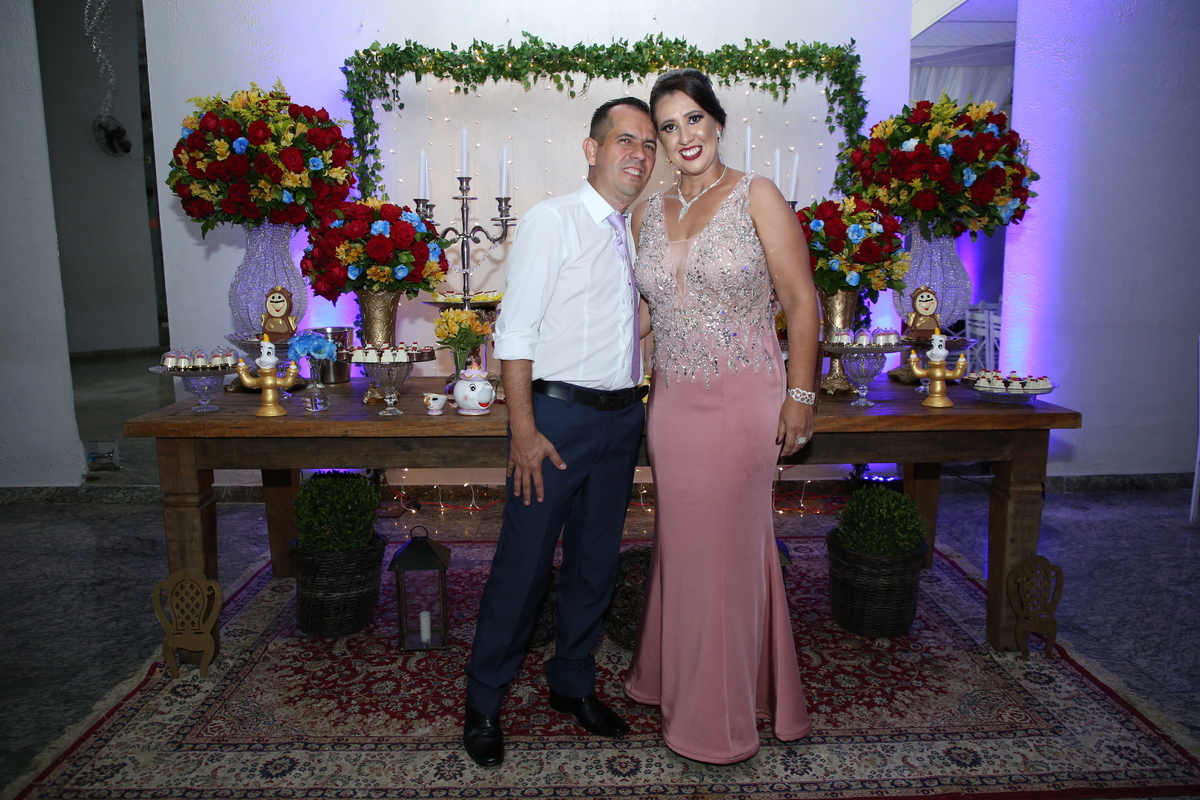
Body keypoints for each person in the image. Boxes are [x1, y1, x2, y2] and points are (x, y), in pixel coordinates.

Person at [623, 69, 820, 764]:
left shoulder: (756, 195)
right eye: (668, 126)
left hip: (744, 400)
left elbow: (802, 301)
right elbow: (643, 318)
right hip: (673, 406)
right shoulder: (646, 214)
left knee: (730, 553)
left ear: (717, 122)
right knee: (684, 547)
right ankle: (674, 679)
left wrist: (801, 396)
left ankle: (720, 717)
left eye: (693, 119)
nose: (684, 136)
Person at [463, 97, 658, 767]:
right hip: (556, 423)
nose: (639, 154)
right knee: (523, 567)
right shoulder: (554, 220)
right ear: (592, 149)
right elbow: (514, 332)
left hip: (621, 419)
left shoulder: (634, 233)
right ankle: (484, 700)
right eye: (625, 140)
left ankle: (572, 683)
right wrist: (523, 430)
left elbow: (623, 322)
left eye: (648, 145)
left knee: (595, 565)